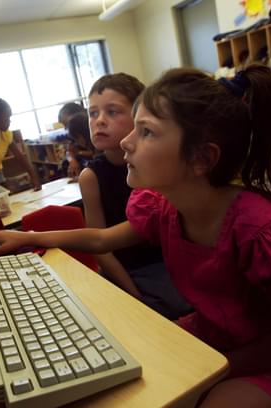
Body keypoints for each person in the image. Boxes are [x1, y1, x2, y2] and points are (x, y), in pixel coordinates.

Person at [0, 65, 271, 407]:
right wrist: (31, 238)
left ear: (200, 159)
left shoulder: (260, 231)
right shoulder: (165, 208)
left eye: (145, 131)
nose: (128, 141)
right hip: (217, 335)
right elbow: (102, 240)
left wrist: (211, 369)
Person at [83, 73, 190, 319]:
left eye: (112, 112)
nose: (99, 121)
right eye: (93, 113)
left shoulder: (158, 162)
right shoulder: (91, 177)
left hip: (172, 267)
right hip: (128, 274)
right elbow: (100, 249)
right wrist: (133, 295)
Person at [64, 112, 97, 178]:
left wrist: (80, 153)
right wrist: (72, 160)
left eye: (77, 138)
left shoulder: (97, 141)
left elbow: (95, 154)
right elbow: (68, 152)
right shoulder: (74, 139)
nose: (77, 142)